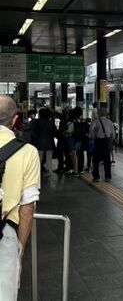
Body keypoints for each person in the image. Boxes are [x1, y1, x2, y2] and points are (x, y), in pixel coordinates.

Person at [0, 95, 40, 300]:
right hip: (4, 236)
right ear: (15, 120)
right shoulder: (28, 152)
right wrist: (20, 253)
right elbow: (27, 207)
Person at [90, 108, 115, 183]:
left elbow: (91, 129)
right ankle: (108, 177)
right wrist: (110, 140)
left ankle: (96, 177)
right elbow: (113, 134)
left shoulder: (96, 121)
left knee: (96, 160)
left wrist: (93, 136)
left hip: (98, 142)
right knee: (107, 160)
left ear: (99, 114)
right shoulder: (110, 122)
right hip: (106, 142)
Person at [30, 108, 56, 175]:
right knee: (49, 158)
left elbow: (31, 130)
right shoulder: (51, 123)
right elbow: (55, 132)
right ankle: (49, 171)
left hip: (39, 142)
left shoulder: (36, 122)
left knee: (39, 158)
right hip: (49, 142)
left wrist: (35, 137)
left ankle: (37, 172)